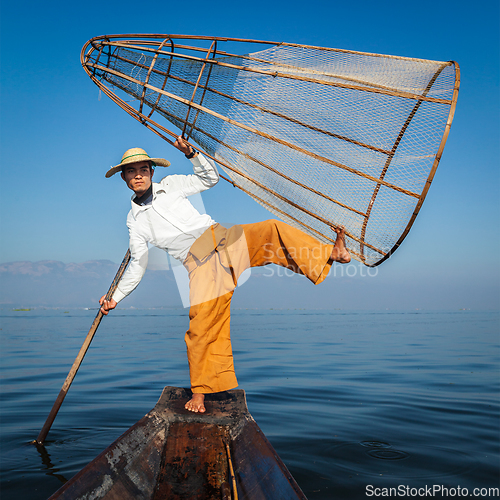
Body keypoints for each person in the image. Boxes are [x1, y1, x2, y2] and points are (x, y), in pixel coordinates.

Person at [100, 136, 351, 413]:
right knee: (202, 325)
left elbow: (209, 179)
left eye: (143, 170)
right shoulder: (134, 221)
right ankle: (201, 392)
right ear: (124, 178)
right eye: (132, 172)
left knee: (271, 229)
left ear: (152, 172)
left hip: (221, 237)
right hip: (199, 263)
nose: (138, 176)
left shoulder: (170, 186)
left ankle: (332, 253)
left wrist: (192, 154)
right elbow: (138, 262)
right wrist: (116, 297)